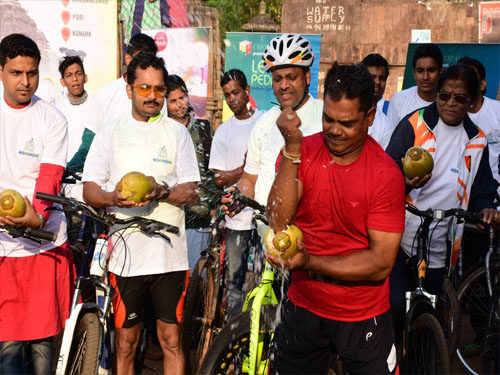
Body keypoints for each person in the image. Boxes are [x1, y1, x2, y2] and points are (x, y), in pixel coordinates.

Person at [265, 63, 406, 374]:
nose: (334, 130)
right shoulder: (303, 150)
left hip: (362, 317)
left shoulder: (385, 175)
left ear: (369, 117)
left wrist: (310, 262)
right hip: (303, 307)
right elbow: (277, 220)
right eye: (328, 119)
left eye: (347, 123)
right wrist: (291, 148)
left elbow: (381, 262)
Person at [82, 52, 199, 375]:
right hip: (126, 257)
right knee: (125, 345)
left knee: (171, 342)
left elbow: (191, 191)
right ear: (129, 89)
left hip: (170, 259)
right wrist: (111, 197)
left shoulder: (178, 134)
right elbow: (89, 189)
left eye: (159, 89)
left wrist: (160, 190)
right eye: (144, 88)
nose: (152, 96)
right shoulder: (110, 132)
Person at [386, 63, 499, 342]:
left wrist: (487, 208)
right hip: (399, 237)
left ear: (471, 103)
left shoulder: (477, 140)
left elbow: (484, 188)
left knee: (429, 315)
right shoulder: (414, 124)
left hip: (442, 241)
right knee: (396, 305)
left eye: (460, 98)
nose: (450, 103)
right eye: (444, 95)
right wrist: (406, 183)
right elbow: (385, 174)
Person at [0, 33, 72, 375]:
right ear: (1, 71)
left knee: (43, 347)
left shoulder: (52, 118)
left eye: (31, 73)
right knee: (8, 350)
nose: (25, 82)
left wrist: (36, 218)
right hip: (3, 250)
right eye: (16, 73)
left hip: (43, 245)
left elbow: (49, 179)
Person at [234, 34, 323, 217]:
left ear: (307, 77)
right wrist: (238, 196)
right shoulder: (264, 123)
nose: (283, 85)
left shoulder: (324, 117)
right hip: (266, 234)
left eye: (291, 77)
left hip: (309, 235)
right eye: (277, 78)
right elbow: (250, 178)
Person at [209, 69, 262, 317]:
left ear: (247, 91)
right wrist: (243, 169)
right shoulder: (223, 132)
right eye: (227, 95)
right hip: (236, 219)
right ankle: (232, 339)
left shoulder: (265, 123)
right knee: (234, 283)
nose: (232, 99)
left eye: (236, 92)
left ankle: (262, 336)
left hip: (264, 216)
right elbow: (218, 178)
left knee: (266, 281)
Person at [165, 74, 217, 270]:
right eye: (172, 101)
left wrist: (213, 204)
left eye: (182, 98)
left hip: (199, 216)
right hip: (170, 216)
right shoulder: (163, 131)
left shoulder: (203, 129)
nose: (179, 104)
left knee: (197, 278)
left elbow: (212, 170)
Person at [55, 55, 103, 196]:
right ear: (62, 82)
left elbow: (88, 147)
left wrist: (70, 169)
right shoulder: (56, 109)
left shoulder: (97, 104)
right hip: (62, 183)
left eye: (78, 74)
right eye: (69, 75)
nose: (75, 79)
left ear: (85, 77)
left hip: (89, 183)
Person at [95, 33, 158, 126]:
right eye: (142, 60)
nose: (147, 66)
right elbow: (90, 133)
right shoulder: (106, 92)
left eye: (151, 61)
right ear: (128, 59)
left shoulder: (157, 96)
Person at [458, 56, 500, 194]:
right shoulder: (448, 115)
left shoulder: (497, 111)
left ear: (482, 84)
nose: (464, 83)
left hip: (493, 200)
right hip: (457, 199)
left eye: (470, 78)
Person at [387, 43, 443, 128]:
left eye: (431, 70)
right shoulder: (399, 100)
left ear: (440, 71)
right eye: (420, 71)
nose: (425, 77)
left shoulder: (448, 103)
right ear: (414, 73)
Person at [361, 53, 394, 149]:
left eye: (382, 78)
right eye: (372, 77)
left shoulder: (386, 126)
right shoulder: (345, 109)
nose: (377, 82)